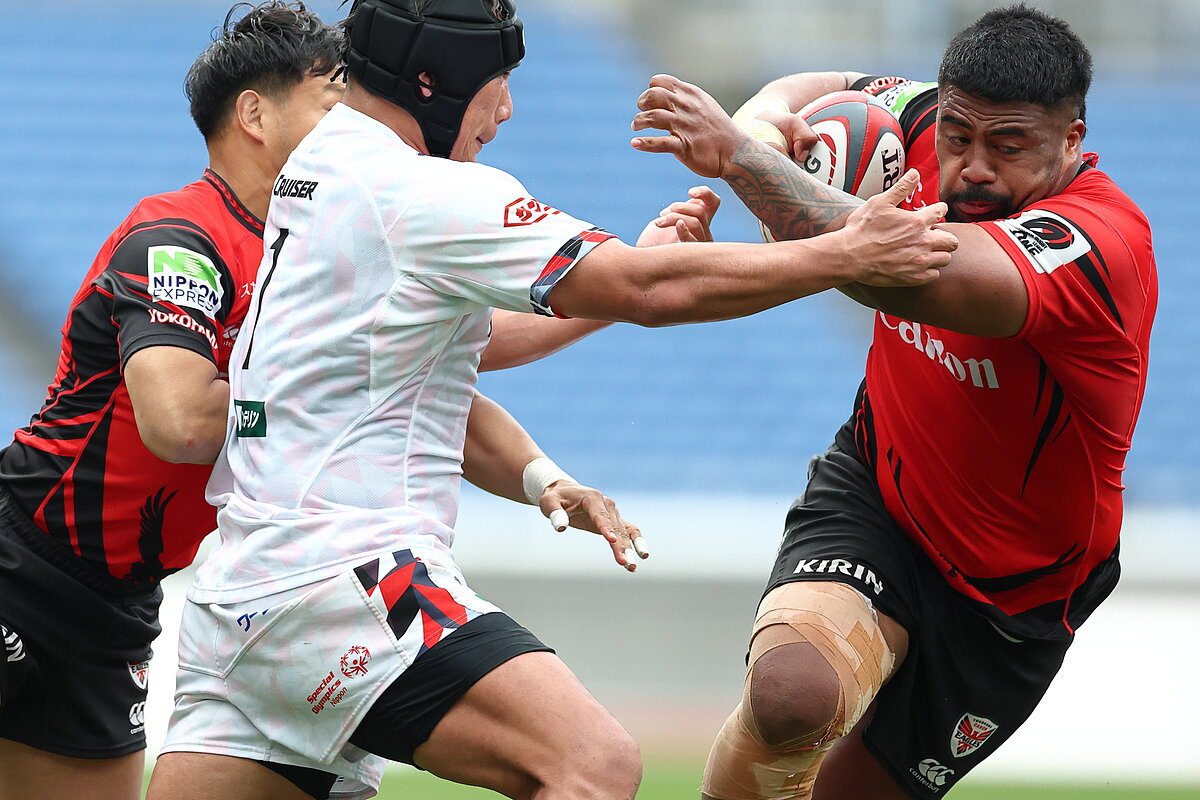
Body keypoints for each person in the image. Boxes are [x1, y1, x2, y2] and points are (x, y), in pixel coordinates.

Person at [143, 0, 959, 798]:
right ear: (435, 79)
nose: (504, 110)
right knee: (592, 765)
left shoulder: (319, 168)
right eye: (496, 81)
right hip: (343, 578)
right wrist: (843, 252)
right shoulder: (418, 191)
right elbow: (648, 291)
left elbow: (467, 341)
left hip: (243, 599)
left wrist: (617, 292)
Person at [0, 4, 665, 799]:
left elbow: (421, 376)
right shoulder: (180, 237)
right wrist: (318, 388)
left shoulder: (324, 244)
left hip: (118, 607)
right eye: (333, 97)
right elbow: (180, 422)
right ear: (255, 115)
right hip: (23, 563)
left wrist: (544, 467)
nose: (354, 116)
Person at [630, 4, 1158, 799]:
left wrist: (741, 159)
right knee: (791, 697)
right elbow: (814, 86)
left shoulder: (1098, 243)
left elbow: (912, 275)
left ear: (1071, 140)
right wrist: (766, 127)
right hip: (880, 492)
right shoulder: (927, 117)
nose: (973, 168)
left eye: (1009, 148)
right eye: (958, 138)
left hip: (1011, 595)